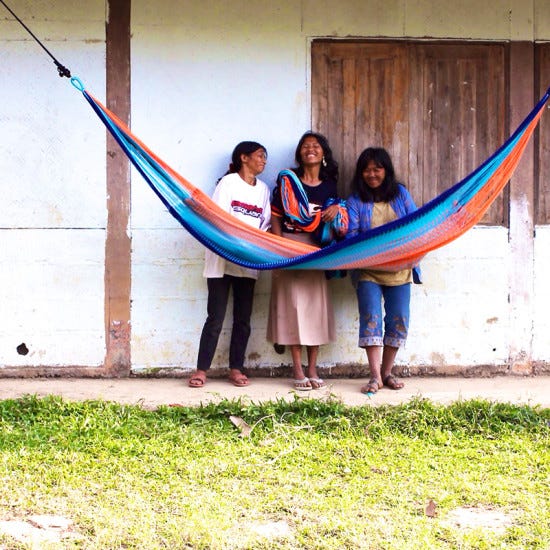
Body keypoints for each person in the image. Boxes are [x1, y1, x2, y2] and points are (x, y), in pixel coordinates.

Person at [267, 132, 347, 391]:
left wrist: (337, 209)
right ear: (299, 154)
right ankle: (298, 369)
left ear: (323, 154)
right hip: (289, 247)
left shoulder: (329, 185)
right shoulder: (287, 181)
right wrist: (279, 249)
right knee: (292, 310)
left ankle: (313, 368)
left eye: (316, 146)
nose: (310, 150)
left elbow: (336, 212)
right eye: (305, 146)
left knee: (315, 310)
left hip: (317, 252)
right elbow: (276, 215)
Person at [188, 141, 271, 388]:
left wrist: (250, 248)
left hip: (248, 262)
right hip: (221, 261)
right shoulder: (228, 184)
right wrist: (235, 244)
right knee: (215, 317)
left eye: (265, 157)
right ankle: (202, 369)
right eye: (259, 156)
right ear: (243, 158)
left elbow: (264, 225)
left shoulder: (264, 189)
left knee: (243, 319)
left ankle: (236, 368)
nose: (263, 161)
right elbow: (219, 218)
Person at [345, 147, 421, 394]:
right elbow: (352, 236)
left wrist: (413, 257)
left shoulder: (400, 194)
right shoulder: (356, 200)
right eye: (366, 169)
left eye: (377, 168)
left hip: (401, 270)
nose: (372, 174)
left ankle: (387, 372)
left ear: (386, 170)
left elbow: (416, 226)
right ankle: (375, 376)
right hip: (368, 271)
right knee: (371, 320)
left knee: (399, 320)